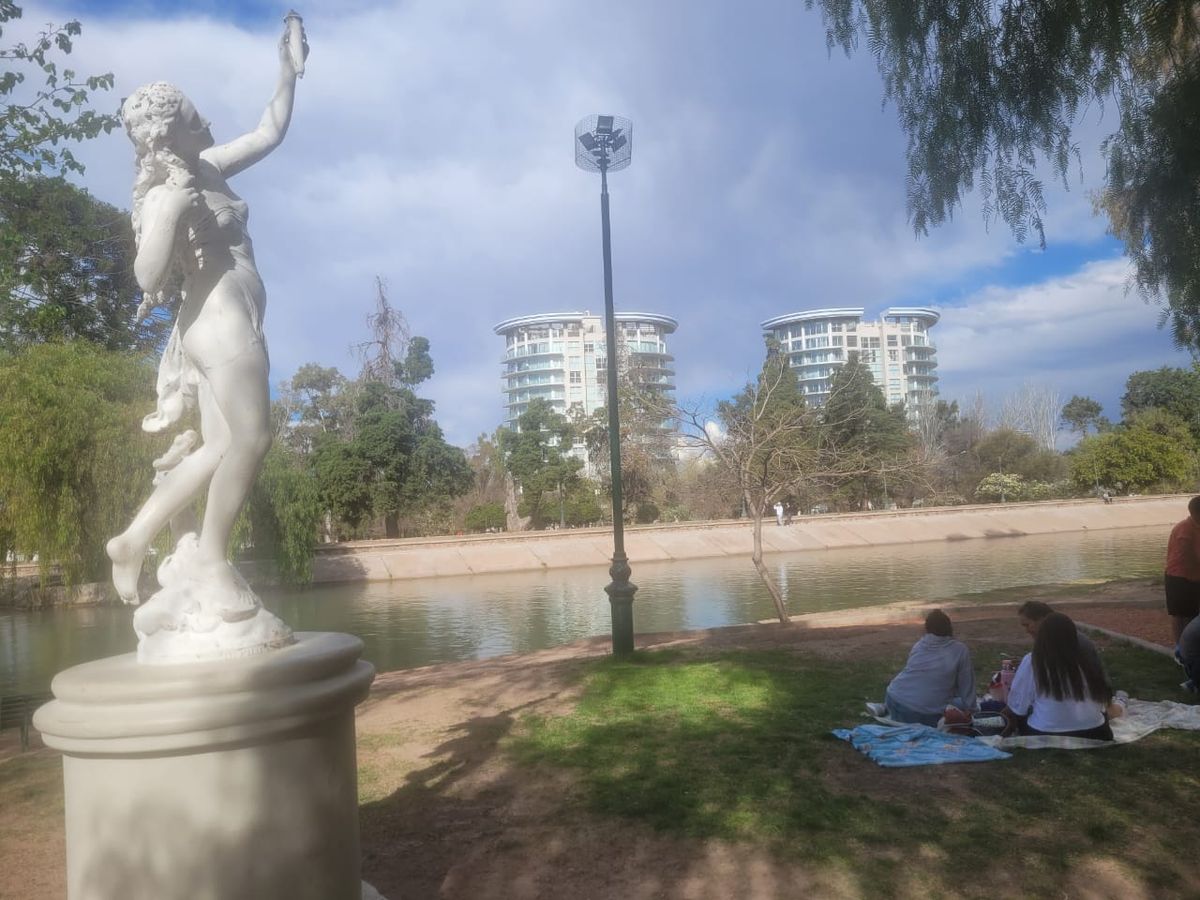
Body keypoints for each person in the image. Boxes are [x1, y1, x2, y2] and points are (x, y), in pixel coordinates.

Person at [105, 21, 307, 617]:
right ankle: (213, 559)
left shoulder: (210, 166)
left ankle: (134, 538)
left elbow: (269, 131)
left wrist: (288, 72)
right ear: (172, 131)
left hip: (230, 311)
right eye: (196, 117)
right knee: (253, 437)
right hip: (218, 315)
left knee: (221, 446)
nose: (207, 121)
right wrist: (171, 212)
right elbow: (146, 276)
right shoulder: (163, 194)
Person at [1002, 612, 1113, 741]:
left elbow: (1018, 706)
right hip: (1097, 731)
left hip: (1046, 732)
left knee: (1026, 715)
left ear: (1043, 636)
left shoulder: (1033, 660)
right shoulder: (1086, 657)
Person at [884, 610, 976, 726]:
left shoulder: (919, 645)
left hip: (893, 697)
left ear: (927, 628)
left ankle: (887, 711)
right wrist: (971, 710)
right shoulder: (960, 650)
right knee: (958, 707)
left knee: (954, 702)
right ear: (949, 627)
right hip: (921, 713)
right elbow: (966, 685)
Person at [1016, 601, 1106, 681]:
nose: (1027, 631)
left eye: (1027, 625)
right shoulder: (1055, 637)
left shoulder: (1066, 641)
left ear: (1042, 620)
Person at [1165, 496, 1200, 657]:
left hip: (1195, 576)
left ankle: (1191, 646)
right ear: (1196, 513)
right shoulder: (1185, 530)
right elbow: (1188, 556)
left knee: (1193, 613)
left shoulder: (1197, 527)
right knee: (1179, 614)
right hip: (1178, 577)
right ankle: (1180, 649)